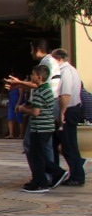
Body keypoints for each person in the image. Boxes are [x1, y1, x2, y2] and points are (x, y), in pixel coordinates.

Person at [17, 64, 63, 193]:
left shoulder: (40, 91)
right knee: (37, 154)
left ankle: (43, 181)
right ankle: (42, 179)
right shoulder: (46, 90)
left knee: (36, 155)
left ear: (39, 77)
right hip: (46, 127)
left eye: (32, 74)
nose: (31, 77)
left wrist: (22, 109)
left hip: (40, 128)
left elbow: (36, 112)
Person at [52, 49, 85, 187]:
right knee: (60, 144)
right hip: (71, 110)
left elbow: (65, 95)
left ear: (58, 59)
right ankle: (59, 173)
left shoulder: (65, 72)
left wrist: (61, 114)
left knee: (68, 145)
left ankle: (77, 175)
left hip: (68, 110)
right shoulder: (72, 70)